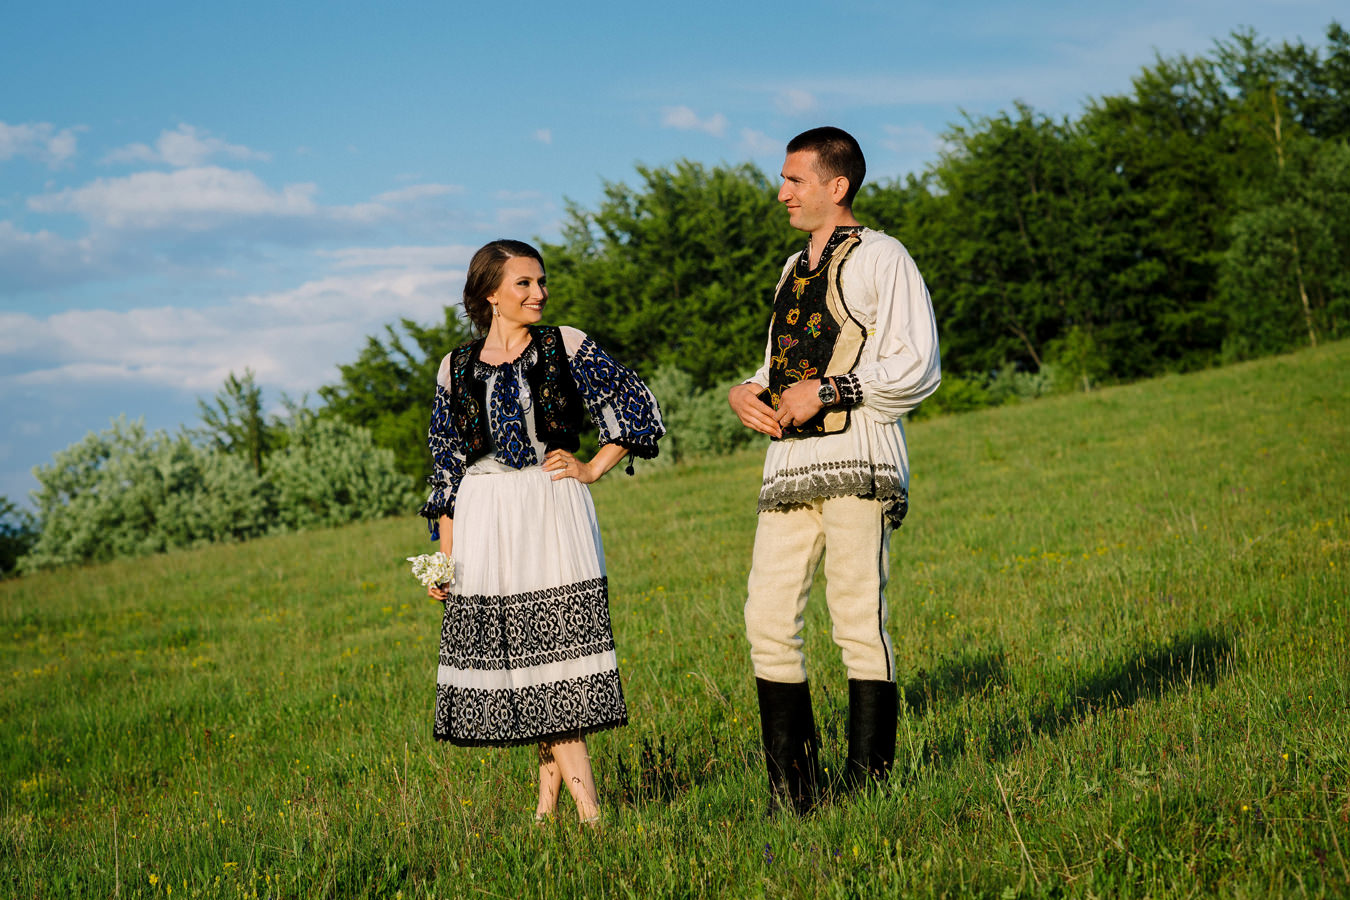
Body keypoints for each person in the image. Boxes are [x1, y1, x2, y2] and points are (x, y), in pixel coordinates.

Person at [727, 127, 941, 814]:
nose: (782, 193)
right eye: (784, 180)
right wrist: (748, 390)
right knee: (765, 617)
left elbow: (917, 364)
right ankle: (793, 794)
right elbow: (782, 363)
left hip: (858, 457)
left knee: (856, 617)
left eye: (794, 180)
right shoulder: (792, 268)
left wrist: (828, 391)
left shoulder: (882, 256)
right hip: (791, 464)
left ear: (836, 185)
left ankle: (868, 785)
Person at [420, 239, 664, 825]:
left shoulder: (565, 343)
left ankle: (590, 815)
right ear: (490, 294)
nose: (540, 293)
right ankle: (545, 809)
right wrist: (445, 561)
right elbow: (447, 470)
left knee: (557, 659)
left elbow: (637, 405)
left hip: (552, 505)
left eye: (542, 281)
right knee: (525, 662)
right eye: (524, 283)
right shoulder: (454, 366)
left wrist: (592, 468)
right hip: (485, 514)